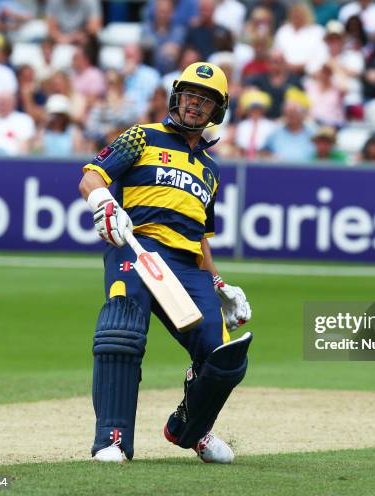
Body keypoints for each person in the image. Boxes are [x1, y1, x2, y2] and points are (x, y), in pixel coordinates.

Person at [78, 62, 253, 464]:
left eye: (205, 100)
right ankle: (113, 439)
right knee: (121, 331)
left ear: (217, 111)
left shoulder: (211, 170)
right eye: (190, 96)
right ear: (177, 98)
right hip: (135, 245)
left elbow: (202, 237)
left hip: (188, 265)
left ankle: (190, 429)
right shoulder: (142, 136)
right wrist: (103, 202)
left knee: (223, 357)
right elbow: (91, 175)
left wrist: (221, 284)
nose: (195, 105)